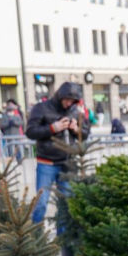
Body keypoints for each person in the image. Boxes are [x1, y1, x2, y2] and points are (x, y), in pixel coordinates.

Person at [25, 81, 89, 225]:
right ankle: (35, 237)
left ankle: (64, 243)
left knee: (66, 205)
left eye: (72, 101)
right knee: (41, 204)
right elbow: (30, 131)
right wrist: (52, 128)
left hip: (68, 164)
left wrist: (76, 130)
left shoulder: (74, 111)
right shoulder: (41, 108)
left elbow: (85, 134)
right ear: (60, 96)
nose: (68, 104)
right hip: (47, 163)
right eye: (67, 100)